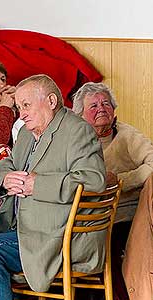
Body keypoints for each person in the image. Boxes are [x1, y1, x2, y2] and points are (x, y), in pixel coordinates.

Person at [0, 74, 106, 299]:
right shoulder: (26, 132)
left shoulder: (77, 130)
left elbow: (94, 180)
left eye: (26, 105)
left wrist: (38, 185)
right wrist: (4, 179)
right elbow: (6, 164)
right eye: (18, 107)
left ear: (51, 102)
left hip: (60, 237)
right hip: (28, 230)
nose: (21, 114)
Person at [72, 82, 153, 300]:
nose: (101, 109)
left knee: (115, 249)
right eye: (94, 105)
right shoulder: (72, 142)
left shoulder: (125, 135)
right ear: (79, 115)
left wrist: (121, 181)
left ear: (114, 109)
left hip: (124, 216)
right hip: (82, 219)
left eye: (106, 103)